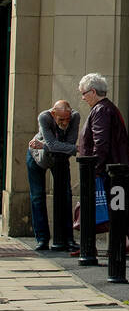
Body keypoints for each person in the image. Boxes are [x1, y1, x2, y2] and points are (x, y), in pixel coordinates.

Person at [77, 74, 129, 252]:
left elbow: (101, 143)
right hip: (113, 168)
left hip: (107, 171)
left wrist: (94, 170)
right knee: (112, 208)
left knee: (106, 206)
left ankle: (92, 248)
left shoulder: (101, 110)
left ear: (93, 91)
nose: (83, 97)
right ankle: (122, 243)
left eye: (84, 93)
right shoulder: (108, 108)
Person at [27, 100, 80, 252]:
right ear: (53, 114)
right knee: (37, 196)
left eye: (67, 119)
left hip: (58, 158)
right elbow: (57, 145)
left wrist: (45, 145)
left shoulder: (75, 116)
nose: (65, 122)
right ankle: (42, 239)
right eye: (61, 119)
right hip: (37, 157)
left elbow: (68, 143)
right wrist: (72, 148)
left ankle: (68, 238)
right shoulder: (44, 117)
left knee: (66, 194)